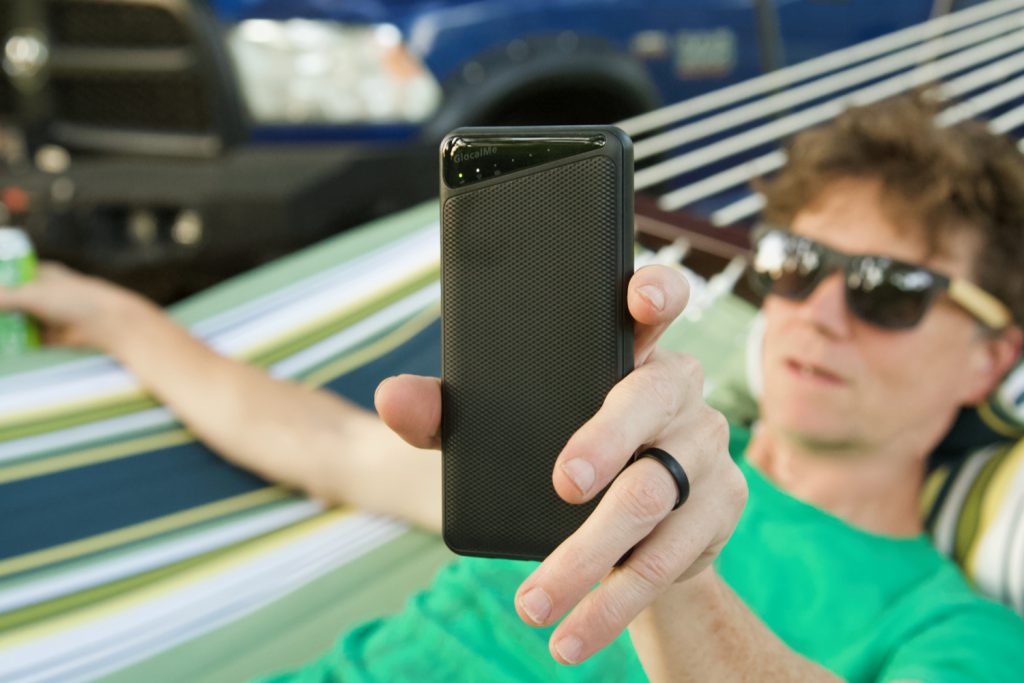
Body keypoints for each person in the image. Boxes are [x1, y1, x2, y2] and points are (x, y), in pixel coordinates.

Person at [2, 93, 1024, 682]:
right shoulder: (579, 438)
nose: (819, 311)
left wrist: (672, 559)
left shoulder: (954, 625)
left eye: (893, 290)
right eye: (796, 261)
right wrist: (116, 318)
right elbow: (321, 444)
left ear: (993, 357)